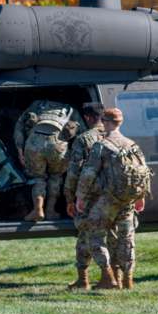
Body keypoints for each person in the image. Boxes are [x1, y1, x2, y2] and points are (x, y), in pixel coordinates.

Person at [75, 107, 148, 290]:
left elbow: (88, 174)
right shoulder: (133, 145)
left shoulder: (102, 146)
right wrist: (141, 196)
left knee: (94, 232)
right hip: (128, 200)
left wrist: (80, 197)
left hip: (108, 199)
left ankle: (107, 275)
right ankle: (127, 279)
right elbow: (144, 172)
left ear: (106, 122)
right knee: (126, 238)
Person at [14, 100, 82, 221]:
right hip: (58, 144)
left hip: (35, 142)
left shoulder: (36, 104)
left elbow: (19, 126)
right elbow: (81, 133)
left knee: (38, 177)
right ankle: (51, 211)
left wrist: (20, 149)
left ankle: (38, 209)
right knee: (56, 176)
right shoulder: (70, 109)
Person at [64, 102, 106, 290]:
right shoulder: (114, 136)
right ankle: (120, 277)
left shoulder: (84, 140)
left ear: (88, 118)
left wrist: (69, 198)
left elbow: (74, 172)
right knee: (113, 236)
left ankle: (86, 278)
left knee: (85, 236)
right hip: (113, 196)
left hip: (90, 197)